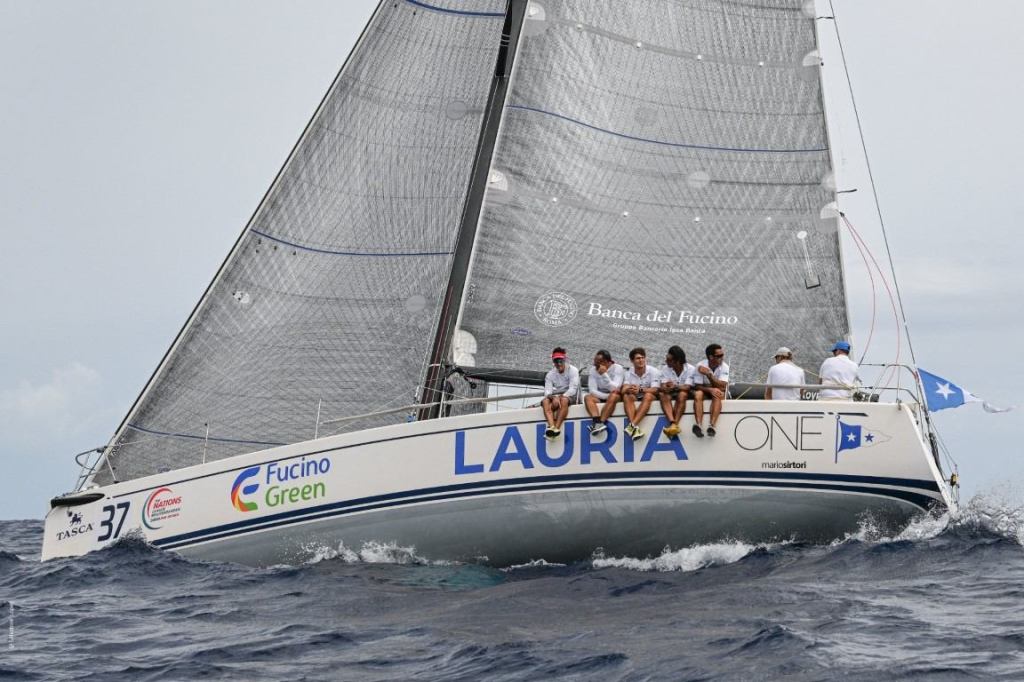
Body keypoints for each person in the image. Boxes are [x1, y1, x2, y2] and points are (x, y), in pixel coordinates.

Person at [622, 347, 661, 441]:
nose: (641, 360)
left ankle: (632, 425)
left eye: (643, 358)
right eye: (638, 358)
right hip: (636, 397)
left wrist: (640, 390)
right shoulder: (628, 373)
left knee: (648, 395)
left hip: (650, 396)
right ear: (632, 361)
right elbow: (623, 390)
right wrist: (629, 388)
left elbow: (656, 390)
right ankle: (634, 428)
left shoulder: (653, 371)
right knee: (627, 396)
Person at [692, 343, 729, 438]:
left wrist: (709, 375)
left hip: (716, 391)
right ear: (711, 357)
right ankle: (698, 425)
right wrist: (710, 389)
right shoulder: (700, 365)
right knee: (698, 394)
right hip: (705, 390)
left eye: (722, 355)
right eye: (719, 356)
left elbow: (722, 386)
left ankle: (712, 426)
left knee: (717, 393)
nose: (722, 358)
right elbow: (697, 386)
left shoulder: (724, 367)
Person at [584, 349, 624, 436]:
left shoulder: (618, 368)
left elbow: (615, 388)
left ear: (606, 362)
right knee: (587, 397)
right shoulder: (593, 370)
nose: (595, 365)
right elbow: (592, 390)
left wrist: (604, 375)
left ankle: (601, 422)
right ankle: (596, 422)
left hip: (615, 396)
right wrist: (606, 397)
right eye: (594, 362)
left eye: (597, 363)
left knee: (614, 395)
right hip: (602, 396)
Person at [542, 347, 580, 439]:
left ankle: (557, 428)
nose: (559, 364)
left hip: (571, 396)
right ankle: (552, 427)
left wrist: (559, 397)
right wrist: (553, 397)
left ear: (565, 360)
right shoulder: (550, 374)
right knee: (545, 401)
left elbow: (573, 389)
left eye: (561, 361)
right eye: (556, 361)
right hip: (557, 396)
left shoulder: (573, 370)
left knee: (563, 400)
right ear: (553, 362)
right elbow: (547, 392)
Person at [658, 345, 695, 438]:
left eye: (669, 360)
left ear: (677, 361)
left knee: (682, 394)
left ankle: (675, 424)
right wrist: (665, 387)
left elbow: (687, 387)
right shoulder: (665, 368)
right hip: (672, 392)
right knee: (662, 394)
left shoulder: (691, 369)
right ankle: (672, 423)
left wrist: (674, 386)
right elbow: (662, 385)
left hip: (686, 393)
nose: (666, 361)